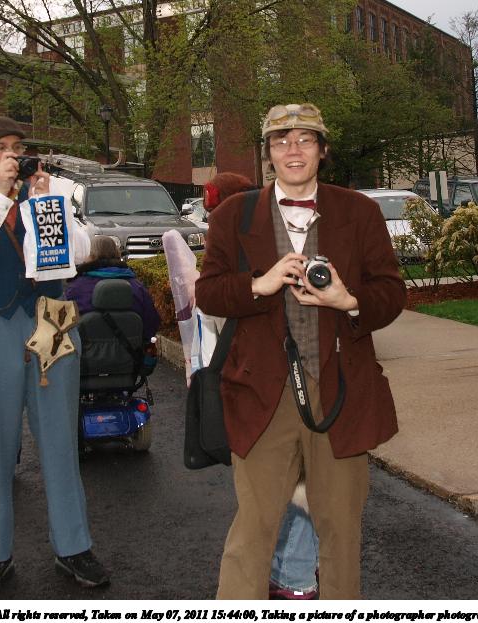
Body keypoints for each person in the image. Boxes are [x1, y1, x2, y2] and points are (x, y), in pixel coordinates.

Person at [195, 103, 406, 599]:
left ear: (322, 150)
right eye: (281, 140)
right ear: (268, 153)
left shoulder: (359, 212)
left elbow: (392, 292)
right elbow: (207, 293)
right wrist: (259, 284)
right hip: (261, 394)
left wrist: (348, 301)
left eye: (305, 139)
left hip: (341, 392)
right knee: (253, 533)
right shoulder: (234, 215)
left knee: (341, 533)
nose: (293, 149)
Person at [0, 116, 108, 597]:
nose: (11, 155)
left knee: (59, 435)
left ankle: (73, 546)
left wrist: (48, 206)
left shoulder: (48, 194)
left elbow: (81, 251)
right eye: (0, 147)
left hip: (50, 316)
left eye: (17, 146)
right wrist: (2, 196)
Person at [195, 172, 320, 600]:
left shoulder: (277, 241)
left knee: (290, 488)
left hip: (282, 381)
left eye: (216, 212)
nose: (212, 223)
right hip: (258, 384)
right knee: (283, 491)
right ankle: (293, 576)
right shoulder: (243, 247)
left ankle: (293, 575)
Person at [65, 235, 161, 342]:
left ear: (90, 255)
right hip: (131, 351)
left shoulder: (75, 288)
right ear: (116, 253)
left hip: (86, 351)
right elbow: (151, 323)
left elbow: (65, 326)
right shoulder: (136, 287)